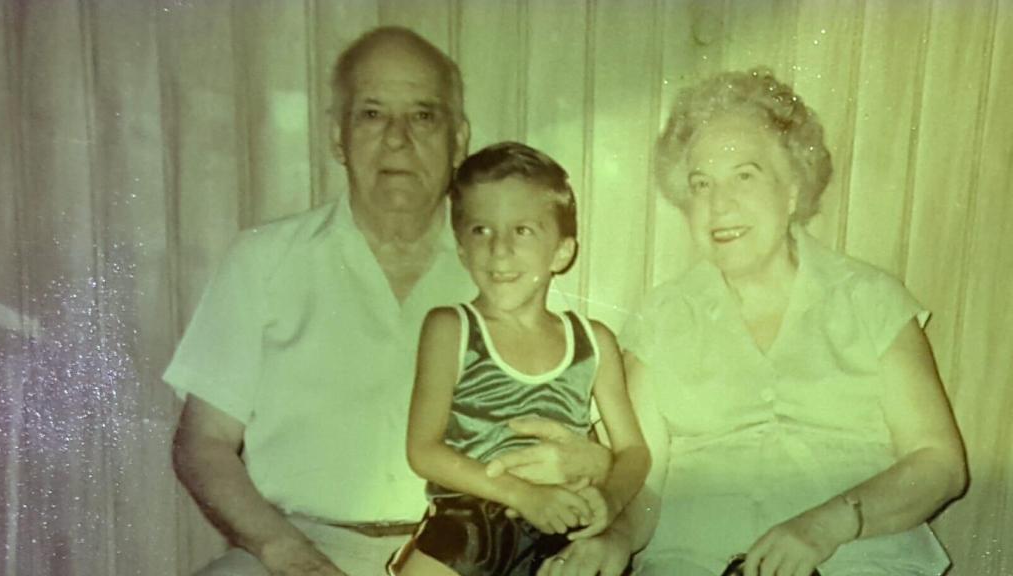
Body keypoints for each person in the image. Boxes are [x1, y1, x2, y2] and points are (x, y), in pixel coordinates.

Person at [166, 27, 608, 576]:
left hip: (469, 550)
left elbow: (574, 402)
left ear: (459, 137)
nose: (398, 139)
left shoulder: (505, 267)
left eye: (423, 116)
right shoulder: (265, 260)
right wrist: (281, 549)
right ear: (337, 136)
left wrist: (594, 461)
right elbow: (201, 443)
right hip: (300, 545)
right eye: (372, 114)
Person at [540, 68, 968, 576]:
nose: (720, 205)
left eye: (745, 175)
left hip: (862, 562)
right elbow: (645, 483)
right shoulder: (661, 318)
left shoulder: (871, 299)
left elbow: (939, 463)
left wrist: (824, 526)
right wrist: (615, 539)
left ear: (792, 189)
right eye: (702, 184)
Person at [393, 142, 650, 576]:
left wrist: (609, 501)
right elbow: (423, 451)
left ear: (562, 252)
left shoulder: (593, 341)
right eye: (481, 231)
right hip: (469, 530)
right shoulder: (450, 330)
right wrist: (523, 496)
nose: (499, 250)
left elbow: (634, 451)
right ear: (460, 249)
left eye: (523, 230)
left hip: (563, 526)